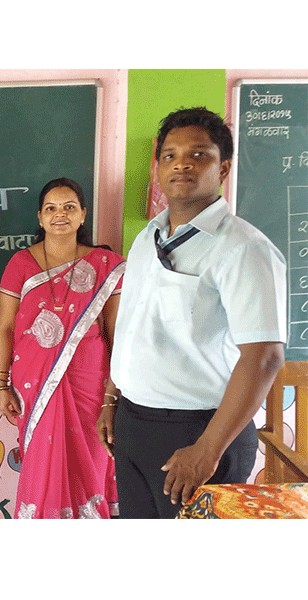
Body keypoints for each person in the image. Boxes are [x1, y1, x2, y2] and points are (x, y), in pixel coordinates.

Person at [98, 107, 287, 519]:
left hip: (199, 432)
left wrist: (207, 449)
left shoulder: (243, 249)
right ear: (158, 167)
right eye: (170, 155)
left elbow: (265, 356)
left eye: (199, 154)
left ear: (224, 168)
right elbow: (131, 324)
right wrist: (112, 398)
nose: (181, 163)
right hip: (133, 423)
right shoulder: (149, 237)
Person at [0, 177, 125, 519]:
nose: (60, 215)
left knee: (92, 464)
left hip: (91, 386)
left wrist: (114, 394)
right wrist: (0, 384)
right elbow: (5, 328)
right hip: (33, 384)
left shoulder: (105, 266)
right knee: (41, 466)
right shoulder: (21, 264)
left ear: (83, 214)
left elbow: (117, 334)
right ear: (40, 217)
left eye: (69, 207)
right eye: (51, 208)